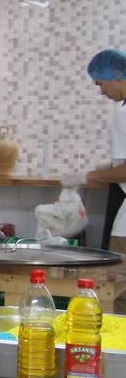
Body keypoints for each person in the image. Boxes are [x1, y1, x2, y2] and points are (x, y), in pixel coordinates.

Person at [84, 50, 126, 313]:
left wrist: (86, 176)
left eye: (100, 83)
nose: (101, 92)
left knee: (118, 292)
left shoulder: (123, 114)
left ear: (116, 76)